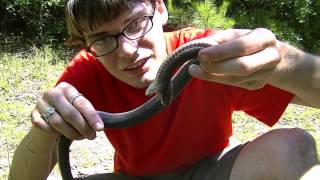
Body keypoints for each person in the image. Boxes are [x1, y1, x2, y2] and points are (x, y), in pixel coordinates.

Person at [9, 0, 320, 179]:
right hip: (137, 178)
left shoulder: (208, 54)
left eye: (134, 24)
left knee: (293, 146)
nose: (127, 51)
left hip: (213, 169)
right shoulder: (88, 70)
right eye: (103, 38)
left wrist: (286, 62)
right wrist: (45, 127)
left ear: (159, 9)